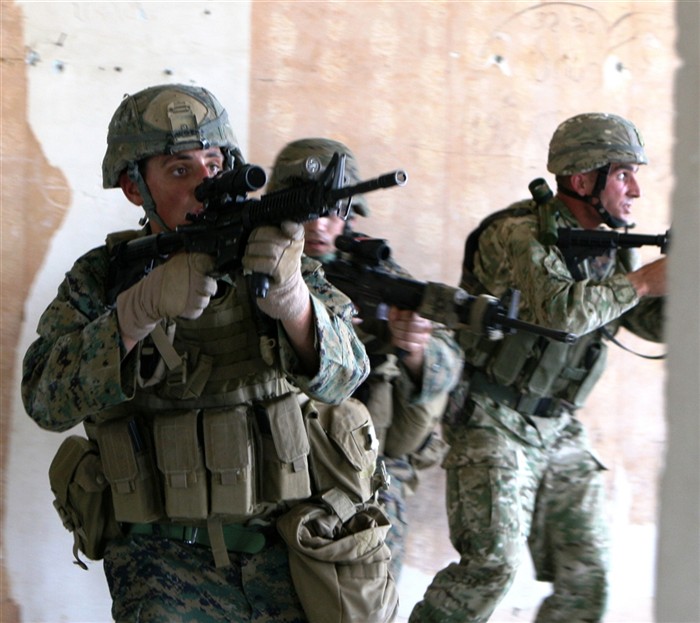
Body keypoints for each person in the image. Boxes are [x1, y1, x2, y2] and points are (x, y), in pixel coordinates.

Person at [21, 84, 374, 623]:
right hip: (163, 571)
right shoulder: (103, 276)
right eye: (180, 170)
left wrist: (295, 303)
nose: (206, 182)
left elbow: (347, 377)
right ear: (134, 188)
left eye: (215, 163)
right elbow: (44, 398)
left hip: (290, 555)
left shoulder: (277, 254)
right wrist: (134, 313)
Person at [410, 113, 666, 623]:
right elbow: (563, 312)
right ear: (582, 179)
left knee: (587, 571)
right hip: (492, 419)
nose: (636, 188)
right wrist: (643, 282)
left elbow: (648, 324)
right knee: (491, 568)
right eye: (623, 174)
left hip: (558, 426)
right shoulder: (519, 234)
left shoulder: (610, 246)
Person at [266, 138, 464, 581]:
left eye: (336, 210)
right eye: (309, 209)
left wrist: (417, 350)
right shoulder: (253, 263)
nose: (322, 224)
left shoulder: (372, 271)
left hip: (365, 468)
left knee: (371, 593)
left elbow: (449, 363)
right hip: (271, 461)